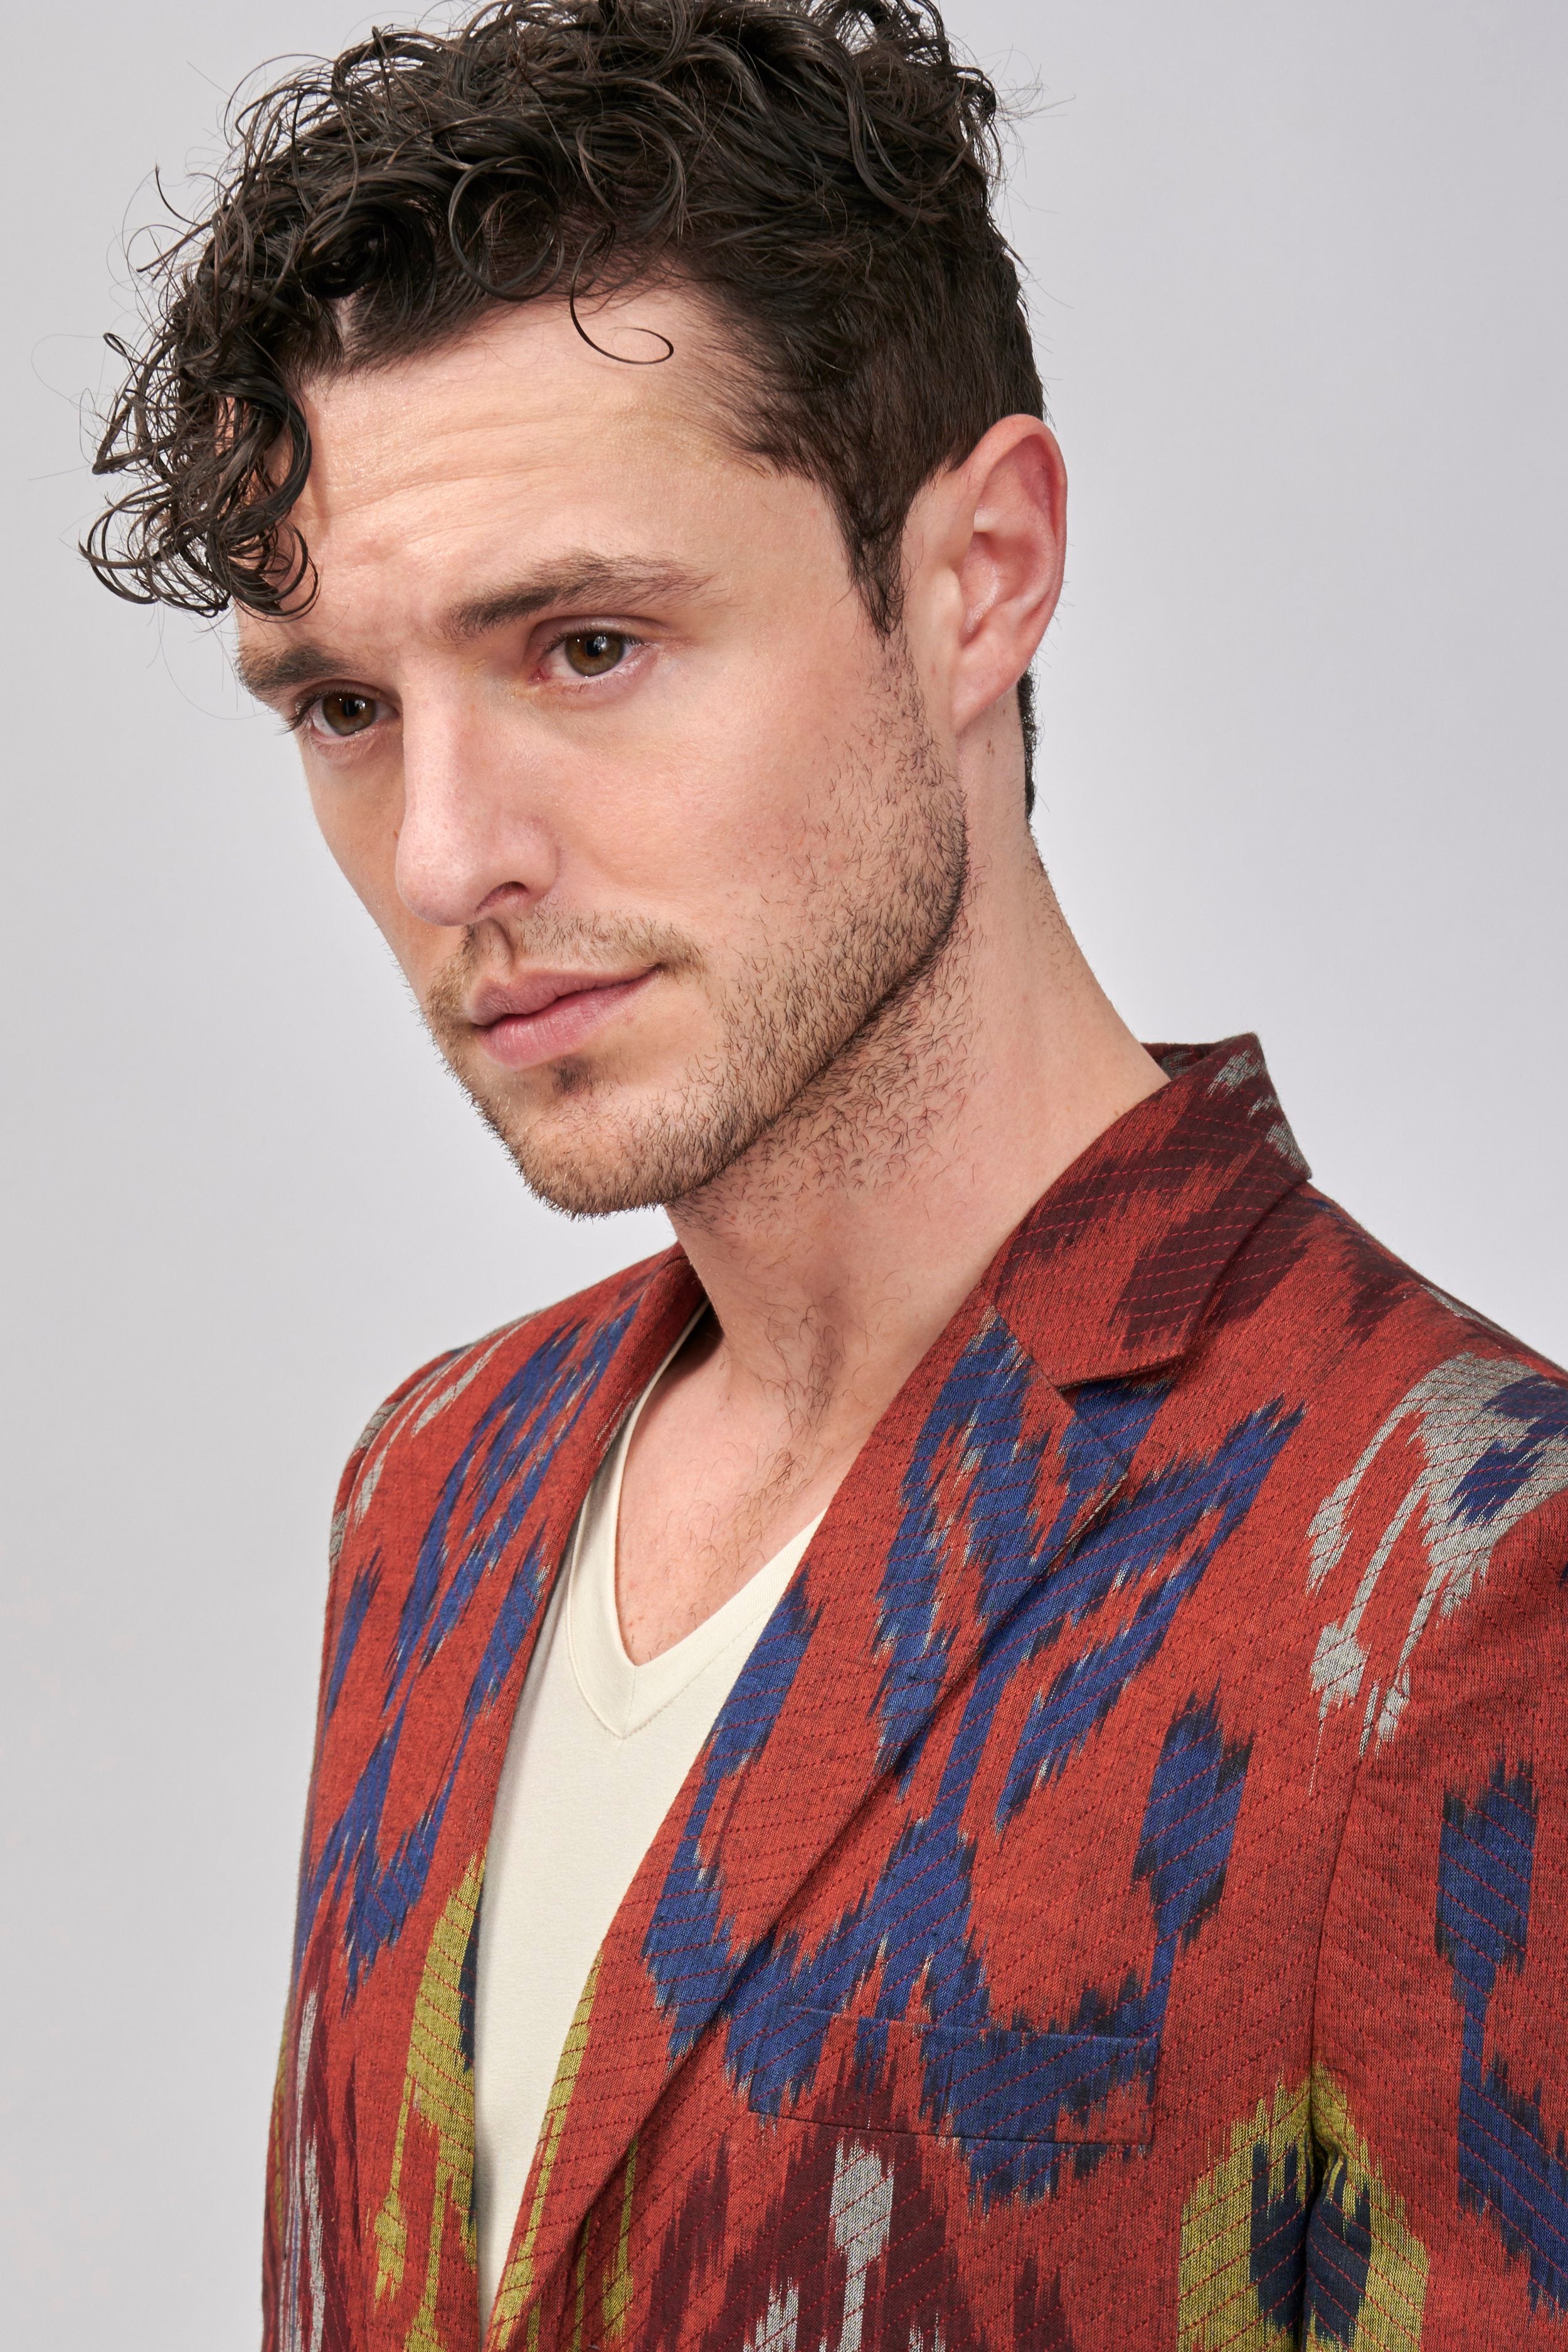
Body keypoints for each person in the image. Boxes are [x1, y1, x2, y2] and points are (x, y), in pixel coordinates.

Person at [87, 3, 1567, 2346]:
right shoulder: (435, 1490)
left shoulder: (1470, 1594)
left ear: (978, 575)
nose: (450, 853)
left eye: (587, 645)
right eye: (344, 708)